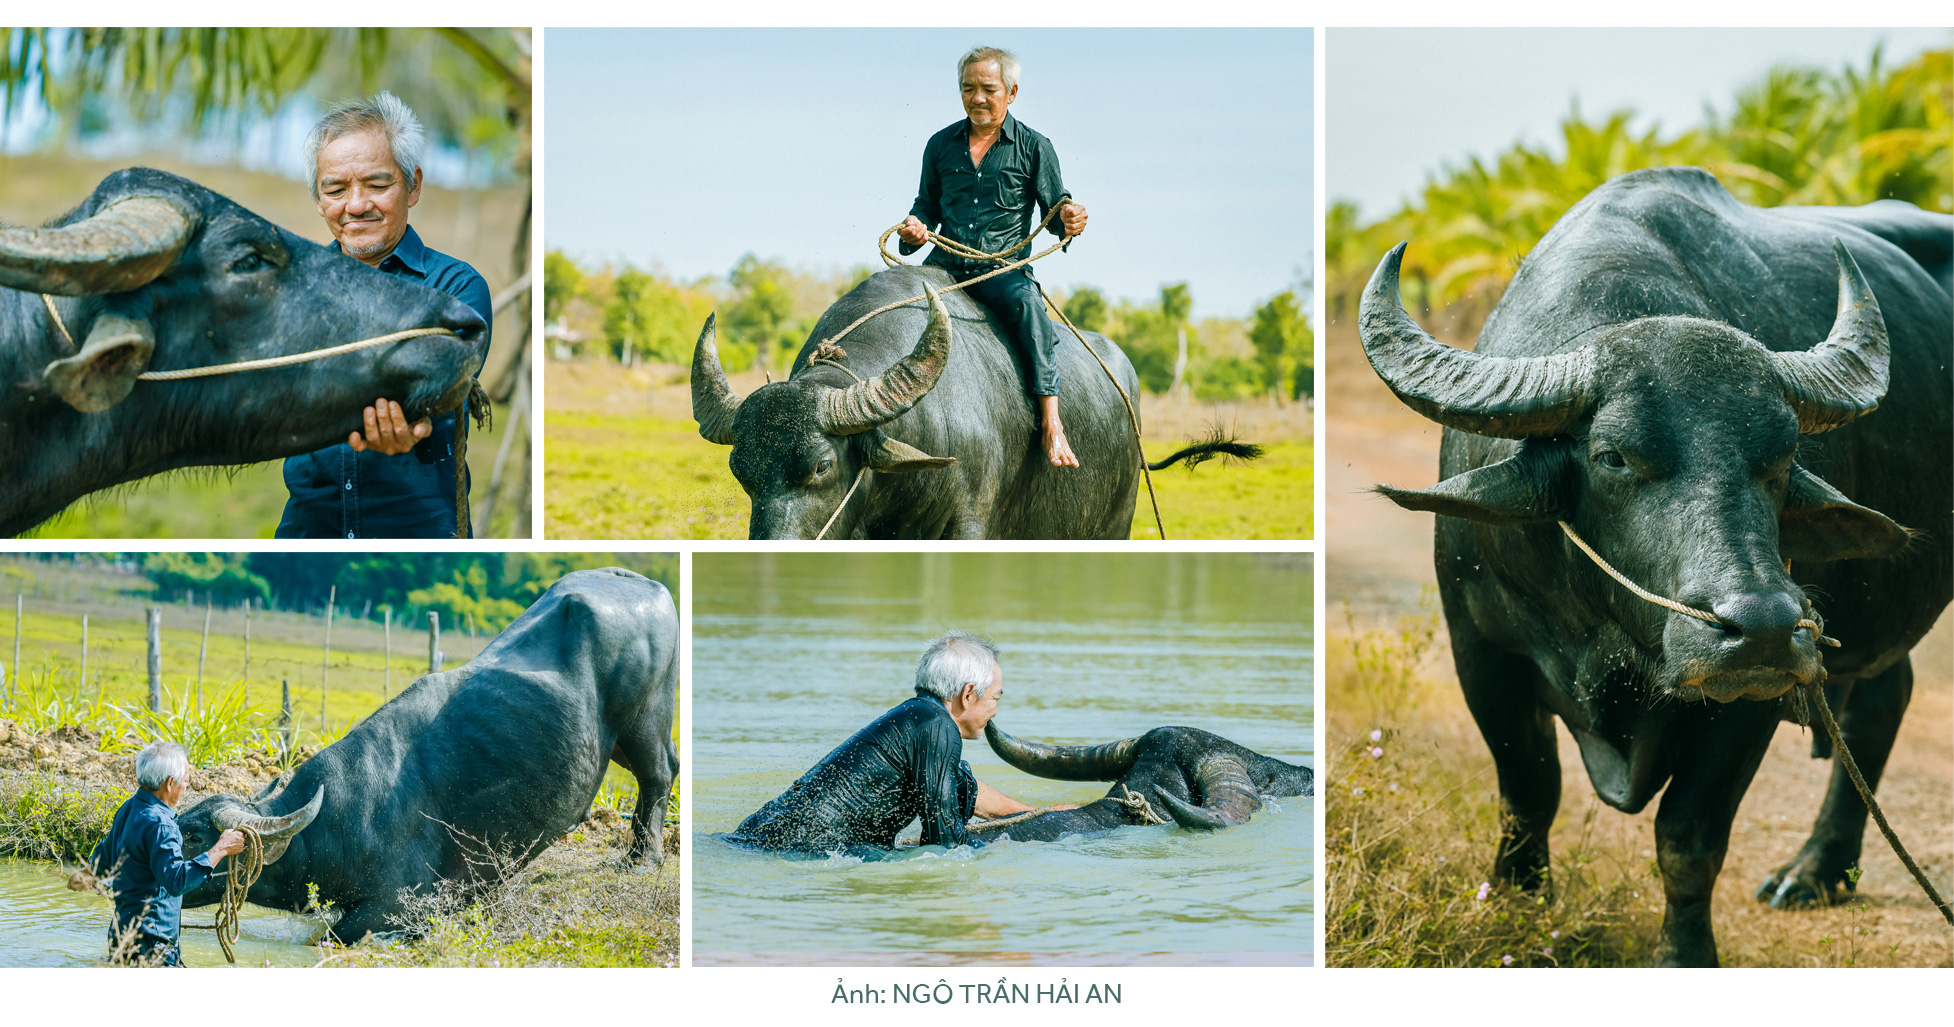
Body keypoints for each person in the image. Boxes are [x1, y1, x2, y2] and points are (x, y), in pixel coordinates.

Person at [277, 91, 494, 539]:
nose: (355, 205)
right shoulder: (291, 287)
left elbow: (432, 383)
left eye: (377, 185)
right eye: (335, 189)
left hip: (421, 531)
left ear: (413, 186)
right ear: (318, 199)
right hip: (309, 528)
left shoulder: (456, 287)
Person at [897, 46, 1089, 468]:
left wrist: (1070, 217)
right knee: (894, 302)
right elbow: (926, 206)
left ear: (1012, 92)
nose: (977, 98)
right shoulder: (940, 145)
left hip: (1003, 271)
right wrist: (913, 229)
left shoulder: (1035, 147)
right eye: (968, 89)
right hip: (944, 267)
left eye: (988, 89)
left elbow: (1056, 210)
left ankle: (1051, 421)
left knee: (1028, 306)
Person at [728, 633, 1064, 854]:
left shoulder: (918, 718)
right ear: (967, 694)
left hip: (769, 833)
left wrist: (1040, 815)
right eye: (995, 697)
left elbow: (964, 788)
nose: (995, 709)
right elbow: (943, 840)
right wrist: (1003, 856)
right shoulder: (937, 727)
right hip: (800, 848)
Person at [72, 741, 246, 966]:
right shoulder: (161, 824)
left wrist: (84, 875)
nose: (186, 788)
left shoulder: (128, 808)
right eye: (186, 782)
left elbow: (103, 860)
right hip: (154, 944)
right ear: (170, 783)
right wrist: (221, 848)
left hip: (121, 936)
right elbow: (176, 881)